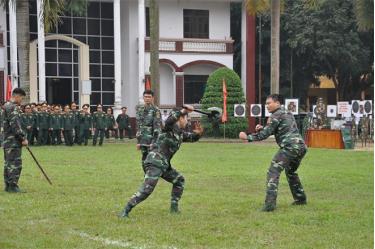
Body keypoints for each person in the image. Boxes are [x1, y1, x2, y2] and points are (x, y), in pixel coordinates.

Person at [119, 105, 203, 218]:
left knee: (179, 180)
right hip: (155, 162)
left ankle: (174, 209)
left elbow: (192, 138)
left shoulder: (180, 134)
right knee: (147, 189)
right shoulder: (168, 127)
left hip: (163, 165)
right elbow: (169, 120)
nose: (187, 122)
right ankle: (125, 211)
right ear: (181, 118)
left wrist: (198, 134)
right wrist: (183, 110)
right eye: (186, 118)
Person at [239, 94, 307, 212]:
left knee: (273, 171)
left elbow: (264, 135)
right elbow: (278, 129)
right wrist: (262, 128)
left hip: (289, 147)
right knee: (291, 172)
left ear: (277, 103)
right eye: (266, 104)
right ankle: (300, 199)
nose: (267, 106)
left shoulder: (275, 115)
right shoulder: (286, 112)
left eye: (269, 103)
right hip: (301, 147)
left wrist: (247, 137)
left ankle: (269, 205)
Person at [3, 88, 28, 193]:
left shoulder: (5, 107)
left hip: (6, 140)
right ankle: (13, 186)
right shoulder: (13, 108)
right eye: (21, 98)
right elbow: (15, 126)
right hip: (13, 141)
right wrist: (23, 138)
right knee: (15, 163)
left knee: (8, 163)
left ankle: (8, 185)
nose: (21, 101)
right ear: (17, 96)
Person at [136, 90, 161, 169]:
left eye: (149, 97)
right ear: (143, 98)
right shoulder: (140, 110)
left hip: (151, 140)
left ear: (152, 98)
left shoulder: (156, 110)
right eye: (146, 97)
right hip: (142, 139)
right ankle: (146, 176)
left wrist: (154, 142)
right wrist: (138, 142)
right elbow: (139, 126)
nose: (147, 98)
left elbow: (157, 128)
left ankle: (151, 176)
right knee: (144, 158)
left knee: (152, 159)